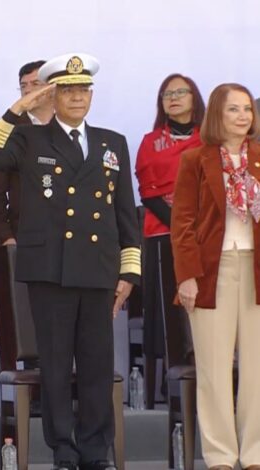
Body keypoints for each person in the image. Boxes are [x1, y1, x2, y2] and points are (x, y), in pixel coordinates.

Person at [0, 53, 140, 470]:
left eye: (84, 90)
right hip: (51, 270)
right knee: (57, 364)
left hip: (99, 270)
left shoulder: (111, 142)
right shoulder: (31, 139)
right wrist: (18, 109)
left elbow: (124, 212)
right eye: (68, 90)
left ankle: (96, 451)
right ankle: (63, 448)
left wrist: (129, 270)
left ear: (91, 95)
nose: (78, 97)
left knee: (99, 365)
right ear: (53, 95)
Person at [171, 83, 260, 470]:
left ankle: (255, 453)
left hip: (255, 269)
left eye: (247, 110)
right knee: (214, 368)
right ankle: (222, 455)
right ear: (216, 116)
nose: (243, 117)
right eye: (233, 110)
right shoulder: (195, 159)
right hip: (212, 272)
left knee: (257, 368)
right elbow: (183, 224)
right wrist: (187, 276)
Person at [134, 73, 204, 394]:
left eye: (180, 92)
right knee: (168, 307)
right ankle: (171, 374)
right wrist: (181, 225)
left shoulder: (210, 139)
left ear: (194, 98)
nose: (173, 97)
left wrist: (196, 225)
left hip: (206, 232)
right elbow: (148, 192)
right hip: (163, 232)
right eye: (166, 94)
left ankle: (205, 365)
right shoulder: (151, 142)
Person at [0, 60, 53, 245]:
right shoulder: (10, 133)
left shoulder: (69, 129)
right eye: (23, 86)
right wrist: (6, 238)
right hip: (27, 239)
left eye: (35, 84)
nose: (28, 91)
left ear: (52, 89)